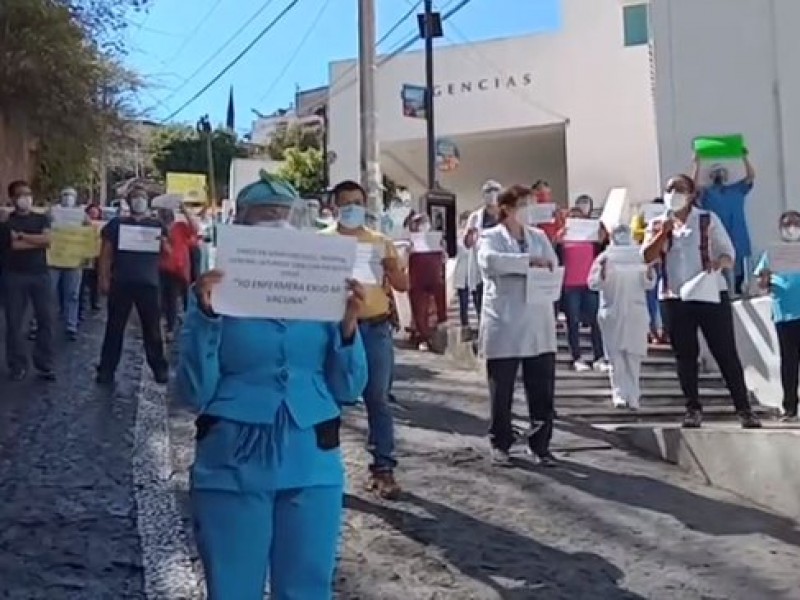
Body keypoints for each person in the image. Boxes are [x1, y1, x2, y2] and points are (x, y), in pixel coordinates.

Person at [176, 172, 368, 600]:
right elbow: (194, 391)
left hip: (313, 457)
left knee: (307, 588)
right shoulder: (215, 290)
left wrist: (349, 327)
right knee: (233, 589)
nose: (276, 224)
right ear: (239, 225)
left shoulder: (321, 290)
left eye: (283, 215)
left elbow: (348, 388)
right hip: (232, 456)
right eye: (263, 216)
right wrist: (205, 320)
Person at [643, 174, 761, 429]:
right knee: (685, 355)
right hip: (674, 297)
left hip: (709, 293)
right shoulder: (656, 223)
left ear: (692, 194)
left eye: (680, 189)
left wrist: (720, 263)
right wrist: (662, 234)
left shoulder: (707, 220)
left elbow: (727, 252)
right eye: (669, 189)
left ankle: (744, 409)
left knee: (725, 352)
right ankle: (692, 409)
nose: (673, 193)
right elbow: (646, 256)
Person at [322, 180, 408, 499]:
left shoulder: (380, 242)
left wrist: (392, 267)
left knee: (378, 399)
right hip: (333, 328)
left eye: (358, 202)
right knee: (329, 397)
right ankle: (325, 469)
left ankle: (383, 468)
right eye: (346, 203)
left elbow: (402, 285)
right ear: (334, 207)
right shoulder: (320, 242)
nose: (353, 208)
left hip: (374, 328)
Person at [477, 185, 559, 467]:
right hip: (505, 321)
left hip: (538, 320)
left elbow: (552, 263)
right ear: (508, 208)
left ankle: (540, 445)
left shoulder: (538, 236)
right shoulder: (490, 237)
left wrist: (540, 264)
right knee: (502, 390)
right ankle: (500, 443)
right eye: (525, 204)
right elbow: (490, 262)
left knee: (542, 389)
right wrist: (527, 263)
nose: (530, 209)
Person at [96, 188, 170, 385]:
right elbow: (106, 253)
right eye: (136, 198)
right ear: (128, 202)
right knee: (114, 328)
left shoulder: (157, 225)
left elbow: (168, 253)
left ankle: (159, 368)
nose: (139, 201)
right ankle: (106, 370)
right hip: (121, 282)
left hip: (149, 283)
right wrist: (103, 277)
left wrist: (161, 241)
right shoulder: (116, 224)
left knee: (153, 329)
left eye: (143, 197)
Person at [588, 224, 656, 410]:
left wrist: (649, 271)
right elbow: (593, 284)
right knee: (615, 357)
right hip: (613, 312)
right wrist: (602, 271)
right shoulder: (604, 257)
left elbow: (649, 283)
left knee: (633, 356)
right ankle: (619, 394)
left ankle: (633, 395)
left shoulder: (639, 257)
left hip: (635, 313)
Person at [0, 180, 55, 381]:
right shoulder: (6, 223)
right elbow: (14, 246)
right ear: (13, 199)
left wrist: (23, 236)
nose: (26, 198)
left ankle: (44, 363)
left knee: (46, 320)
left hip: (40, 274)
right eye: (21, 194)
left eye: (28, 194)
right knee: (15, 323)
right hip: (14, 275)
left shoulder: (41, 219)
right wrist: (35, 241)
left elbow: (48, 241)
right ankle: (17, 365)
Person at [754, 210, 800, 422]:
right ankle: (790, 408)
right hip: (784, 315)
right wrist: (764, 280)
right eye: (787, 224)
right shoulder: (772, 254)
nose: (791, 227)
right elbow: (761, 284)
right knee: (789, 363)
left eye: (795, 223)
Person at [555, 196, 608, 372]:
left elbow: (602, 255)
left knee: (595, 321)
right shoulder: (563, 239)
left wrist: (602, 240)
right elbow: (555, 259)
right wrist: (558, 242)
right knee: (573, 322)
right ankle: (576, 357)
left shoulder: (590, 238)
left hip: (589, 284)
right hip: (570, 285)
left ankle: (599, 356)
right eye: (573, 218)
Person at [693, 151, 756, 295]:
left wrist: (744, 157)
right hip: (717, 242)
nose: (719, 175)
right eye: (715, 172)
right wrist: (697, 164)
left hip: (739, 238)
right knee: (721, 278)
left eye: (721, 172)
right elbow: (693, 187)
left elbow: (750, 177)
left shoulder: (736, 190)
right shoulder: (707, 193)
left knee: (743, 277)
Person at [157, 204, 198, 342]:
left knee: (173, 299)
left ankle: (171, 327)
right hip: (161, 269)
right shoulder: (157, 229)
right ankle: (165, 325)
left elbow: (195, 228)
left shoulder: (180, 227)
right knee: (163, 299)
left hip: (178, 270)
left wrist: (185, 210)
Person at [406, 212, 447, 349]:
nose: (422, 226)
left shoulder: (435, 240)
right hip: (417, 280)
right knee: (420, 310)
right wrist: (409, 251)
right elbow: (405, 260)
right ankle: (423, 337)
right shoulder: (411, 242)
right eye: (418, 223)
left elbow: (444, 258)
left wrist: (442, 249)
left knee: (437, 309)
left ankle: (436, 337)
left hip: (434, 278)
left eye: (424, 222)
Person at [49, 187, 84, 340]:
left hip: (74, 260)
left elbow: (90, 232)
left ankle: (71, 325)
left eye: (71, 195)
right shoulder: (52, 212)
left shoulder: (82, 214)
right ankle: (42, 323)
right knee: (48, 293)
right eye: (65, 195)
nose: (68, 198)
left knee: (73, 294)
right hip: (54, 260)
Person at [631, 197, 668, 344]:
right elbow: (635, 233)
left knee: (664, 299)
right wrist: (650, 229)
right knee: (650, 300)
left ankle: (665, 330)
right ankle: (651, 330)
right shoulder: (641, 218)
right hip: (650, 264)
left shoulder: (671, 220)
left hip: (666, 262)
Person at [464, 180, 501, 318]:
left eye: (495, 191)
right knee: (482, 311)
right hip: (480, 270)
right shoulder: (475, 217)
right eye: (488, 191)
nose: (492, 195)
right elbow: (467, 244)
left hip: (500, 271)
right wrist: (470, 234)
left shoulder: (505, 216)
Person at [454, 211, 473, 328]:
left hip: (474, 271)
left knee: (476, 298)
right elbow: (463, 249)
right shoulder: (458, 236)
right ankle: (464, 323)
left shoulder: (475, 235)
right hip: (462, 271)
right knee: (463, 301)